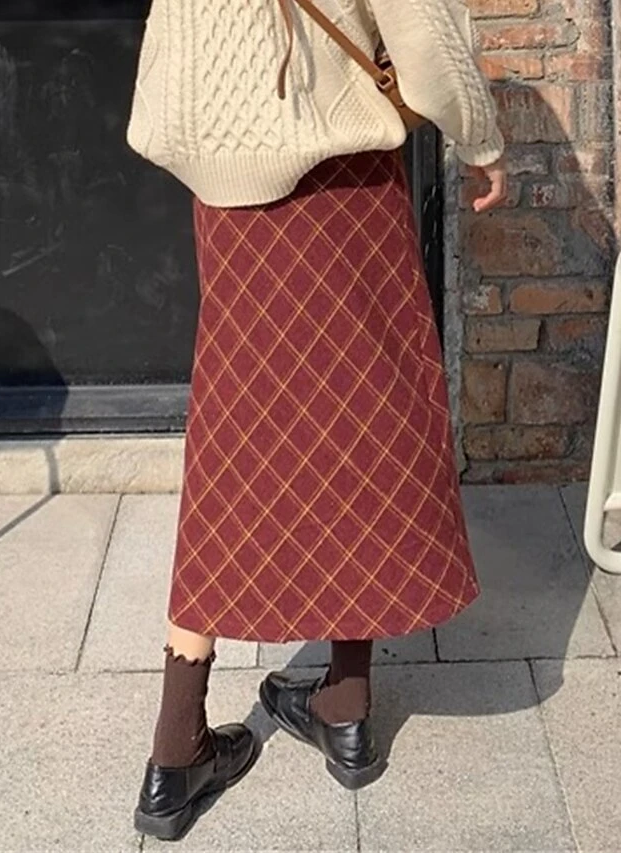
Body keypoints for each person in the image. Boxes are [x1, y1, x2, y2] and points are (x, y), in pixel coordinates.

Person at [127, 0, 506, 841]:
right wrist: (480, 138)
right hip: (345, 187)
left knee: (232, 443)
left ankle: (175, 750)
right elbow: (419, 24)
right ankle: (346, 707)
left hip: (230, 207)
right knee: (361, 418)